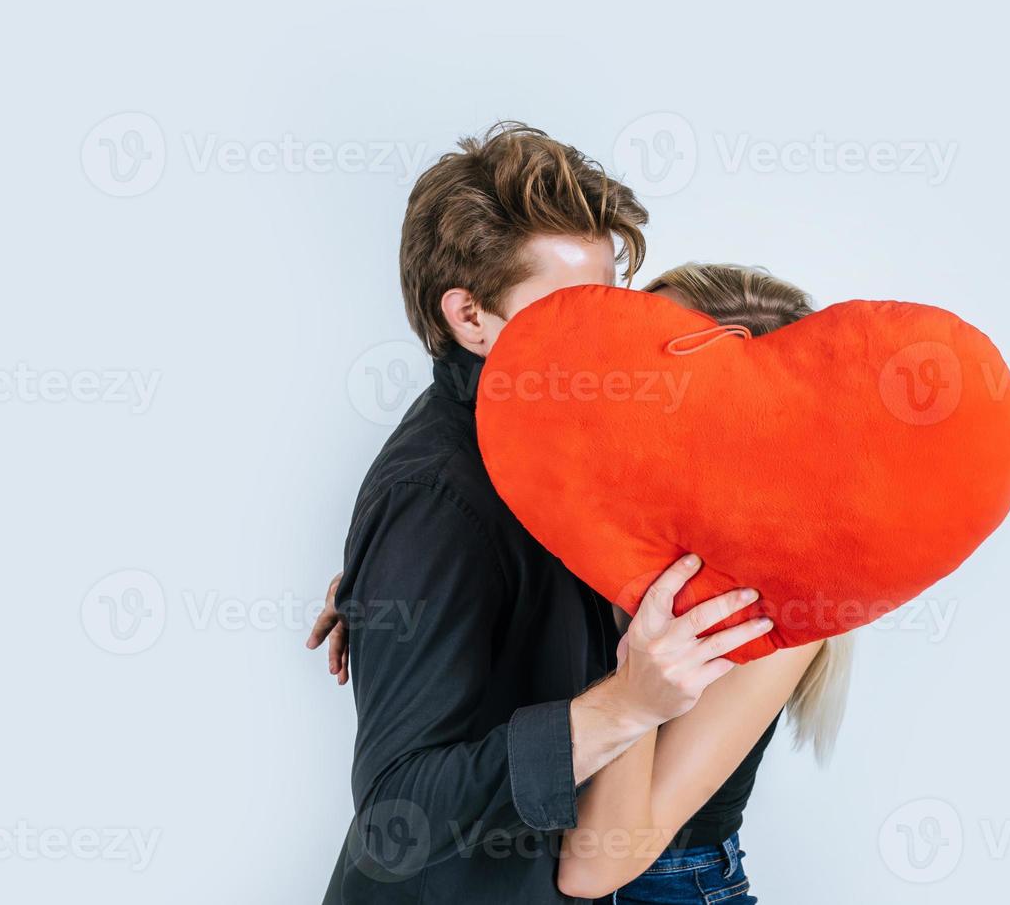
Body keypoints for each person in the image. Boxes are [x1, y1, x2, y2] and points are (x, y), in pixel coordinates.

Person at [308, 124, 773, 904]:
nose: (606, 335)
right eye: (568, 310)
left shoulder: (564, 433)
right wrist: (624, 707)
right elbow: (396, 813)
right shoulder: (436, 500)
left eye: (610, 301)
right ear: (470, 318)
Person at [556, 264, 854, 904]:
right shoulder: (600, 503)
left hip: (668, 887)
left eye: (644, 374)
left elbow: (596, 867)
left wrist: (625, 613)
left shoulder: (780, 608)